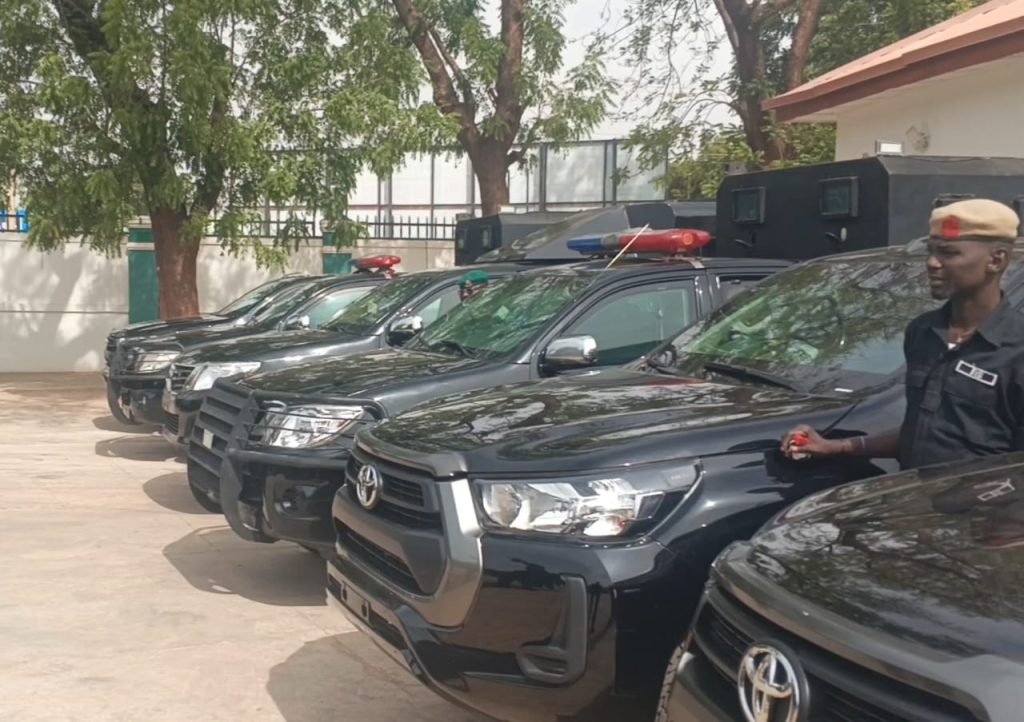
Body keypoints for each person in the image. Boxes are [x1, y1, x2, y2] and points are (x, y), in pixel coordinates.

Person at [782, 198, 1024, 469]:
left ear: (996, 260)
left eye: (949, 253)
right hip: (912, 504)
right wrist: (838, 446)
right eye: (931, 252)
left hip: (982, 510)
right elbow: (922, 436)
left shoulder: (1016, 350)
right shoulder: (923, 332)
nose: (932, 263)